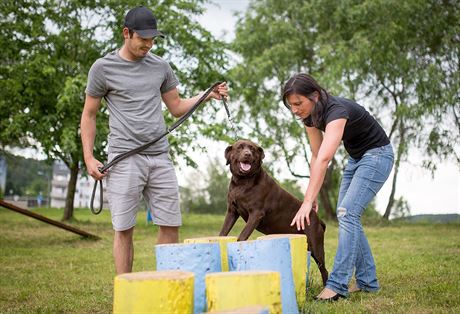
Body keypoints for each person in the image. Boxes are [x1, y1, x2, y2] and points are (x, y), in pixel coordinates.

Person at [80, 6, 228, 275]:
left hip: (160, 157)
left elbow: (177, 106)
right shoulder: (103, 68)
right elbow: (89, 115)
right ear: (127, 33)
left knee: (170, 224)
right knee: (124, 229)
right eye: (143, 39)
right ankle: (127, 293)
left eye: (152, 40)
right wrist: (89, 157)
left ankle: (167, 287)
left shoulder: (160, 67)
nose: (148, 45)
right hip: (123, 158)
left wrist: (206, 95)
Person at [282, 73, 394, 301]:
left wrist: (306, 202)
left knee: (347, 213)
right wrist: (310, 196)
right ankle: (368, 282)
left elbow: (325, 158)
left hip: (378, 156)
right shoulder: (309, 117)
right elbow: (316, 154)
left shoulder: (336, 111)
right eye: (290, 105)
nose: (294, 109)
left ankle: (337, 285)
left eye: (298, 103)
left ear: (314, 96)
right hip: (356, 159)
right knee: (348, 216)